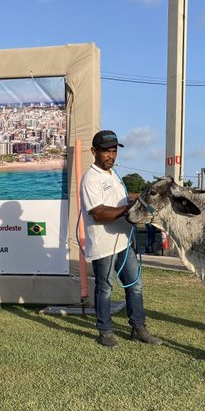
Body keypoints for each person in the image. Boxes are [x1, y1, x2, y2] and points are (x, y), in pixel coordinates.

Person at [80, 130, 161, 347]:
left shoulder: (113, 175)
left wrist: (133, 198)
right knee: (105, 288)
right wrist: (129, 209)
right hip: (103, 244)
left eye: (114, 150)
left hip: (123, 241)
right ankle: (105, 331)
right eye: (106, 151)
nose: (111, 155)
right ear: (94, 152)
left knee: (135, 285)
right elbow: (98, 212)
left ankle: (138, 327)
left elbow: (118, 201)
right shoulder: (91, 179)